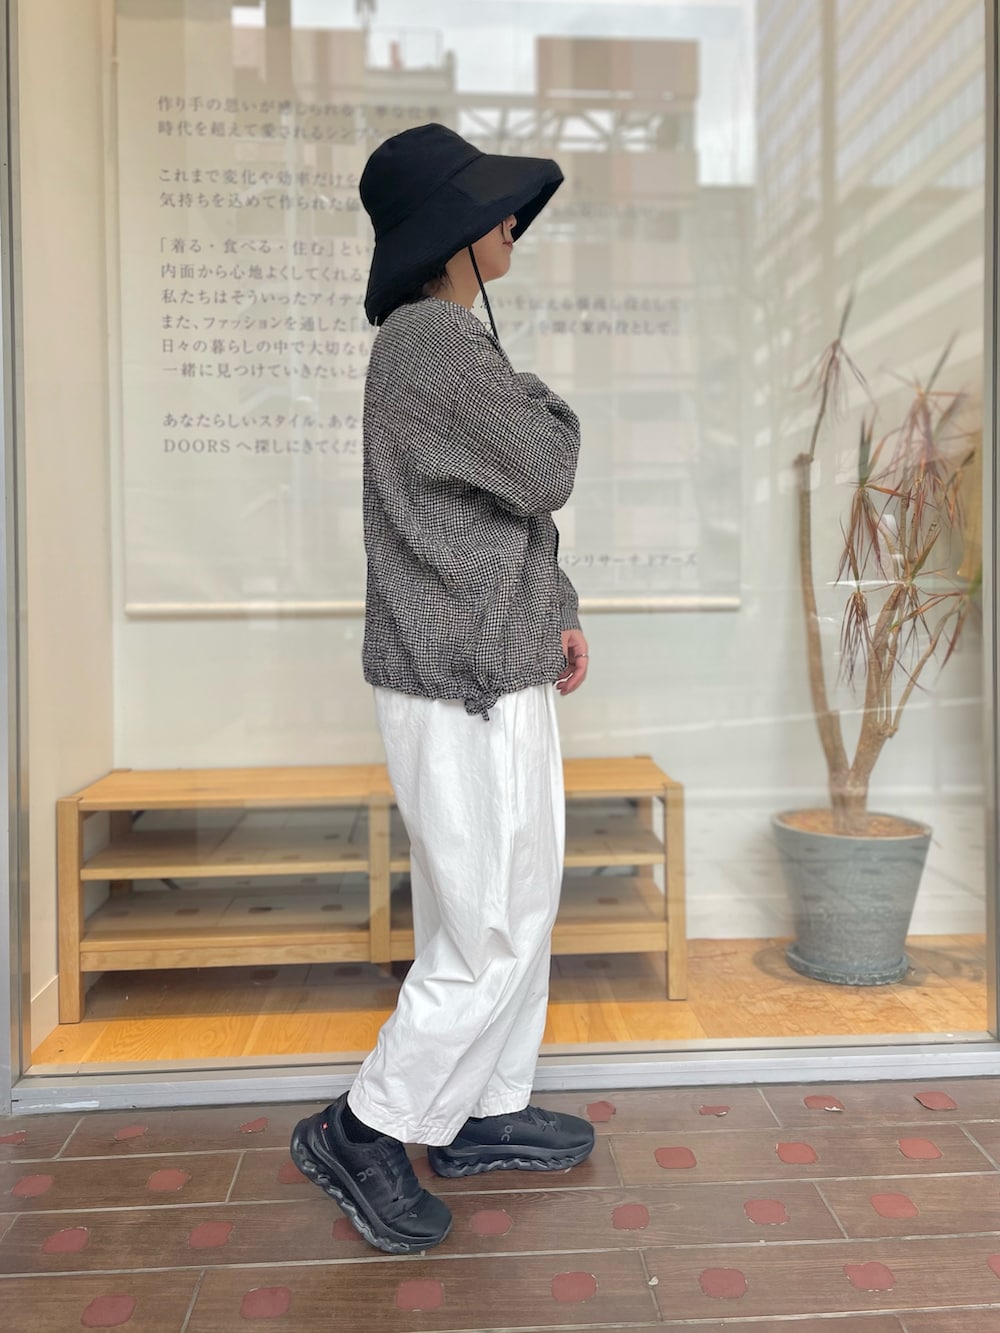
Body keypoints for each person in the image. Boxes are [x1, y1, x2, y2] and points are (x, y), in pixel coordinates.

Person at [291, 123, 593, 1255]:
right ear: (449, 236)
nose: (508, 221)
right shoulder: (433, 343)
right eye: (488, 210)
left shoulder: (444, 344)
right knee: (488, 925)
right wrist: (541, 399)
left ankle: (477, 1108)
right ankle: (364, 1126)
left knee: (511, 903)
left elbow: (504, 512)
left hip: (485, 663)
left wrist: (557, 610)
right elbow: (547, 464)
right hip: (461, 676)